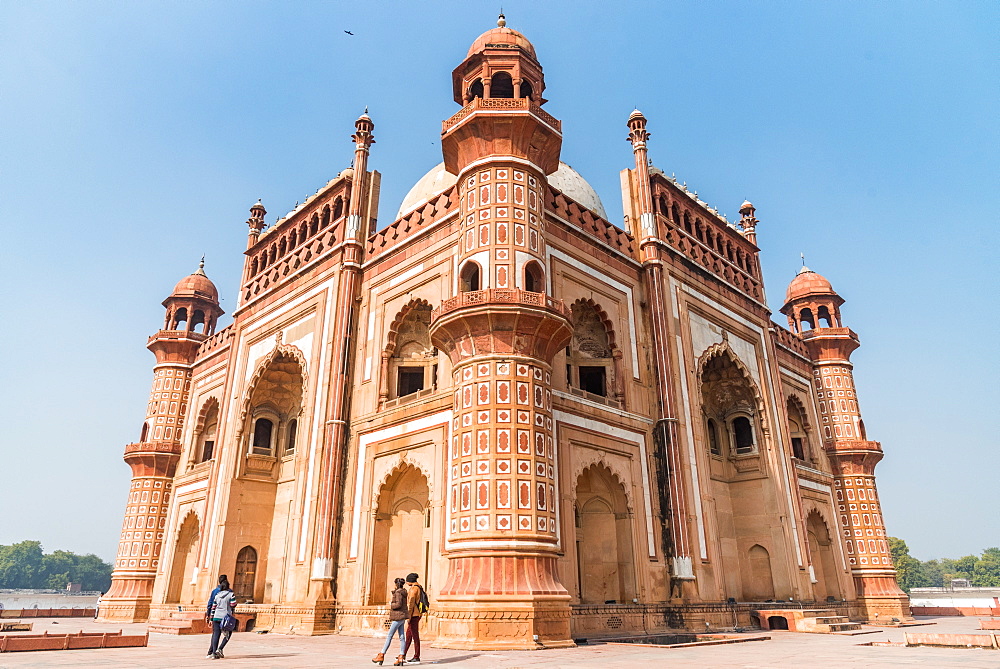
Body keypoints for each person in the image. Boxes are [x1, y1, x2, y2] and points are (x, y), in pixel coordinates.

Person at [372, 578, 408, 666]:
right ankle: (401, 656)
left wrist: (391, 604)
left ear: (396, 584)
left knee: (389, 636)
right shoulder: (403, 592)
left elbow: (398, 604)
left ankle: (382, 654)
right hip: (402, 616)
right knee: (402, 637)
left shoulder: (398, 593)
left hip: (397, 616)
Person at [205, 576, 236, 659]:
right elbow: (233, 605)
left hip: (216, 617)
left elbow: (213, 607)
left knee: (216, 634)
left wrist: (210, 618)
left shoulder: (217, 595)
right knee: (228, 633)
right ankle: (220, 648)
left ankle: (213, 653)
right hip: (226, 618)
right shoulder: (230, 594)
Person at [402, 573, 425, 664]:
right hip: (417, 614)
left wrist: (408, 616)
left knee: (414, 636)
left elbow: (411, 604)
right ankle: (403, 654)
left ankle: (416, 656)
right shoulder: (419, 587)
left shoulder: (413, 589)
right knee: (409, 635)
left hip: (413, 615)